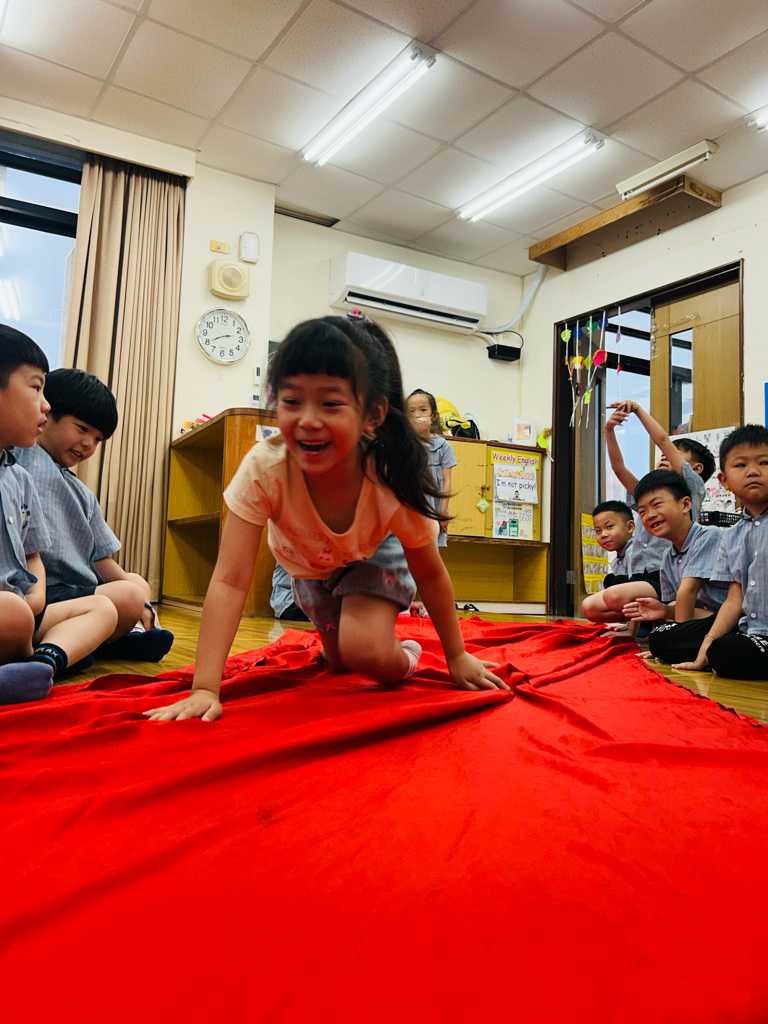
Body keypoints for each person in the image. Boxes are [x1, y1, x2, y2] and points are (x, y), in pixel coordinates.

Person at [145, 314, 509, 722]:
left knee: (365, 650)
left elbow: (430, 573)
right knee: (339, 663)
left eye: (331, 404)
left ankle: (406, 654)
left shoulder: (388, 478)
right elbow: (230, 581)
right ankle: (347, 641)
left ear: (373, 415)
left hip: (375, 556)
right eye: (292, 401)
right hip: (309, 569)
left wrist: (457, 656)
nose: (308, 420)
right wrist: (204, 689)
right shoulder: (265, 468)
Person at [15, 368, 174, 662]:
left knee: (136, 584)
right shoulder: (20, 456)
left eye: (98, 439)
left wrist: (144, 603)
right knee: (127, 595)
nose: (89, 444)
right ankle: (94, 642)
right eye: (82, 428)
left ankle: (108, 636)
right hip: (41, 593)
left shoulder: (83, 493)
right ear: (46, 414)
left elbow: (102, 559)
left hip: (77, 591)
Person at [0, 325, 118, 703]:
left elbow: (32, 553)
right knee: (11, 613)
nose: (46, 405)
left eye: (98, 439)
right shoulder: (30, 459)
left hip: (26, 610)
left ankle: (45, 662)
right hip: (9, 611)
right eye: (36, 389)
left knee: (103, 607)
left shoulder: (19, 479)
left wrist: (35, 596)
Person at [672, 425, 768, 676]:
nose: (754, 471)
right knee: (664, 639)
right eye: (741, 465)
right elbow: (735, 598)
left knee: (726, 652)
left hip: (755, 637)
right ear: (724, 481)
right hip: (749, 631)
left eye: (764, 462)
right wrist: (707, 644)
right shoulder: (732, 535)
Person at [603, 400, 714, 614]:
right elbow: (618, 469)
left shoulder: (692, 487)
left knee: (614, 597)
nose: (664, 455)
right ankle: (645, 621)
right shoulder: (648, 491)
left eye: (672, 453)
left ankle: (662, 615)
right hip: (638, 571)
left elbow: (662, 440)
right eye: (662, 454)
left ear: (696, 469)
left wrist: (637, 409)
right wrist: (609, 431)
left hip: (664, 574)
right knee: (592, 607)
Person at [620, 469, 728, 664]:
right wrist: (664, 613)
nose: (650, 515)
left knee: (663, 640)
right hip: (702, 619)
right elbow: (673, 606)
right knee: (661, 632)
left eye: (657, 505)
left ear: (685, 504)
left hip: (726, 621)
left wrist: (676, 638)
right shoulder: (668, 556)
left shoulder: (708, 535)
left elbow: (688, 590)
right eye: (642, 511)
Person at [406, 388, 457, 548]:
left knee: (429, 550)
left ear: (433, 415)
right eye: (411, 411)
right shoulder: (404, 445)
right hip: (409, 509)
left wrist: (442, 513)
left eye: (423, 410)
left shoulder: (443, 446)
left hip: (433, 509)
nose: (417, 415)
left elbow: (447, 482)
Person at [581, 500, 635, 626]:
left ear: (630, 527)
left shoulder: (635, 552)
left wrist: (631, 630)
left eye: (609, 527)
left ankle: (642, 624)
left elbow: (637, 595)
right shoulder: (617, 560)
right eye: (598, 531)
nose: (603, 535)